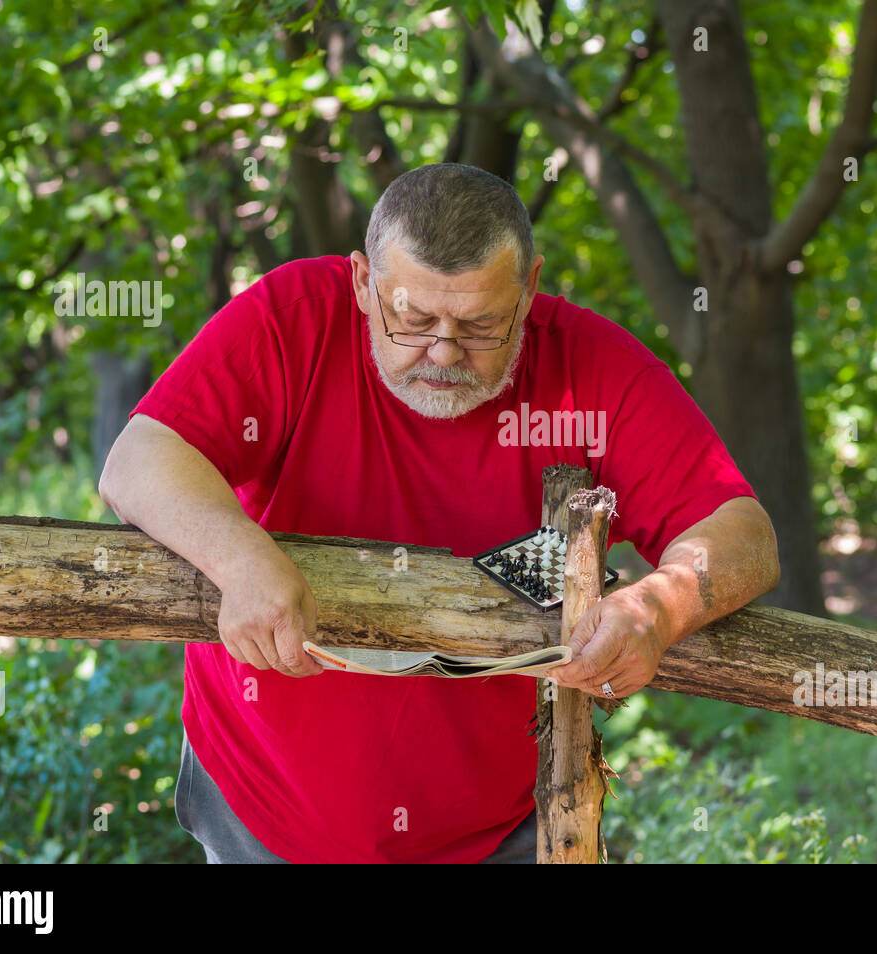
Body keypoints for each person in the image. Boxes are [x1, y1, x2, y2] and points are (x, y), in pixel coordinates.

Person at [98, 162, 780, 864]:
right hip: (264, 801)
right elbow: (140, 460)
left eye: (481, 324)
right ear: (363, 283)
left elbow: (742, 534)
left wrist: (656, 610)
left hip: (498, 828)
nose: (444, 352)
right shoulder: (293, 315)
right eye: (413, 318)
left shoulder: (594, 368)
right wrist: (239, 558)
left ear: (529, 290)